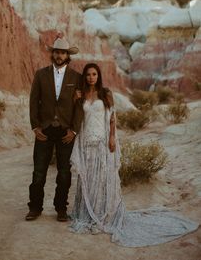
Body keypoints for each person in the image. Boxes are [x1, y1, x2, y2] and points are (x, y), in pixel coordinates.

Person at [70, 63, 199, 247]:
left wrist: (113, 138)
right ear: (84, 77)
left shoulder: (105, 93)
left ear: (98, 76)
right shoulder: (81, 95)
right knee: (88, 179)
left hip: (102, 142)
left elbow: (112, 117)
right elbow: (77, 117)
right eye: (88, 74)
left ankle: (103, 214)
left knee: (103, 178)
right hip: (85, 143)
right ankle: (87, 212)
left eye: (94, 74)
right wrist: (75, 100)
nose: (91, 77)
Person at [26, 37, 83, 222]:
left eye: (63, 52)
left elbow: (80, 106)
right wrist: (35, 126)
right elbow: (33, 102)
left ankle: (61, 209)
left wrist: (74, 130)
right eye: (57, 52)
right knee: (38, 172)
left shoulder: (76, 77)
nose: (59, 55)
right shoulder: (40, 74)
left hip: (66, 132)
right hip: (45, 130)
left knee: (64, 172)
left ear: (68, 55)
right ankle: (35, 208)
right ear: (53, 54)